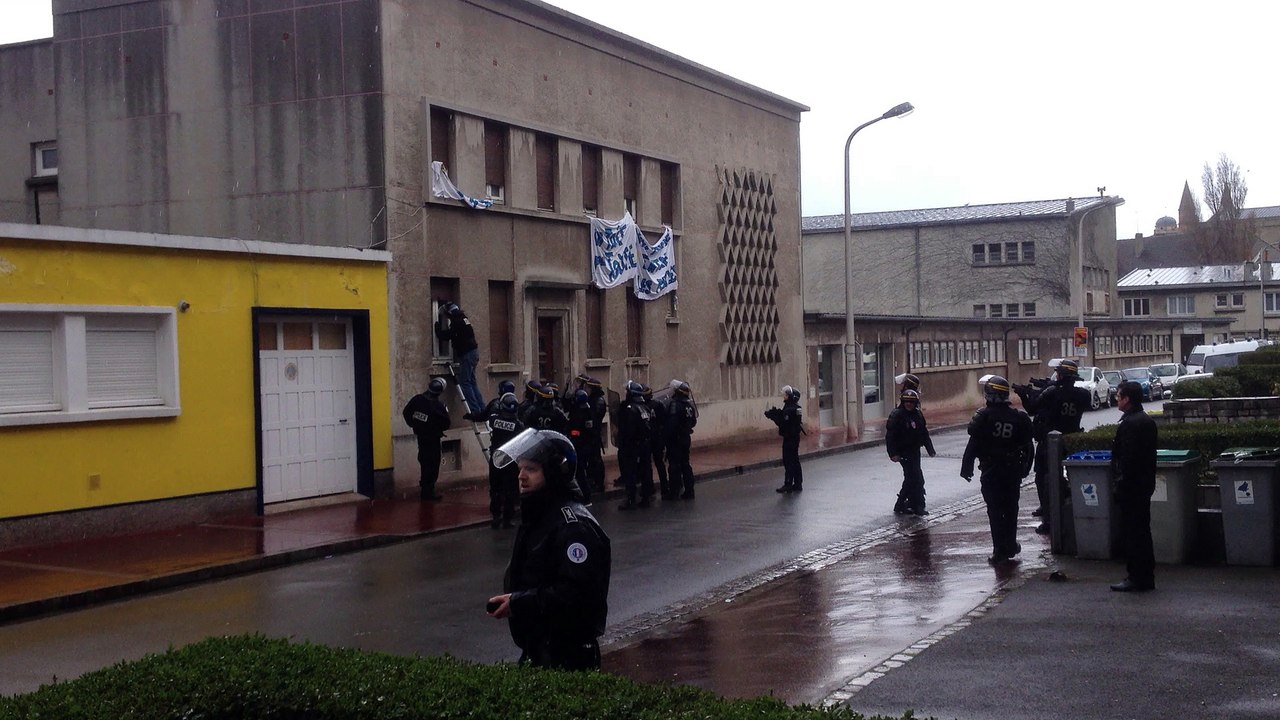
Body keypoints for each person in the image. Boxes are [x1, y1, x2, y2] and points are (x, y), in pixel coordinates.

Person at [486, 429, 611, 670]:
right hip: (539, 648)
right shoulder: (539, 515)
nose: (521, 476)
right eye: (520, 468)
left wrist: (518, 603)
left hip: (566, 654)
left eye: (531, 469)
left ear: (555, 473)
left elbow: (575, 594)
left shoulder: (573, 526)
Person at [961, 375, 1034, 564]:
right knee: (1011, 509)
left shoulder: (983, 416)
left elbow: (973, 444)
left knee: (995, 510)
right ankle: (1010, 544)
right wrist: (1026, 467)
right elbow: (1028, 446)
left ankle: (999, 550)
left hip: (991, 470)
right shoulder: (1019, 418)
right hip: (1012, 471)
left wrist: (966, 467)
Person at [1020, 358, 1090, 534]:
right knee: (1068, 478)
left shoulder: (1052, 393)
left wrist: (1023, 395)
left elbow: (1031, 409)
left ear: (1061, 376)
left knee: (1045, 480)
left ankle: (1049, 519)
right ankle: (1060, 510)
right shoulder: (1083, 394)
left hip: (1049, 443)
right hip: (1071, 439)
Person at [1110, 380, 1158, 592]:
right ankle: (1144, 575)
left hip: (1132, 487)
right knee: (1142, 532)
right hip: (1144, 484)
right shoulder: (1146, 421)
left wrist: (1120, 485)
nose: (1116, 400)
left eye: (1119, 396)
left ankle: (1136, 577)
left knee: (1133, 534)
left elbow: (1127, 460)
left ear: (1127, 399)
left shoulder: (1130, 424)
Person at [885, 388, 937, 515]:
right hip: (903, 452)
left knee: (912, 477)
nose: (909, 404)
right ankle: (917, 505)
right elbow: (890, 436)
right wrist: (893, 453)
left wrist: (930, 449)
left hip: (915, 451)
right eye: (906, 402)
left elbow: (924, 433)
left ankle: (903, 503)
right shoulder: (896, 415)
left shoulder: (918, 415)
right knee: (915, 477)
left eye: (911, 402)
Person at [478, 392, 523, 527]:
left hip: (496, 457)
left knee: (495, 488)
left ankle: (496, 517)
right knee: (510, 489)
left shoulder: (494, 420)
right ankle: (507, 519)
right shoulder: (518, 425)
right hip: (510, 459)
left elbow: (489, 414)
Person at [402, 378, 451, 501]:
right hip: (433, 440)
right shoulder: (439, 407)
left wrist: (413, 424)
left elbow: (406, 412)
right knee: (433, 466)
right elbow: (446, 424)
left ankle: (425, 491)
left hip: (421, 438)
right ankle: (428, 493)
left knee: (424, 464)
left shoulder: (417, 400)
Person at [434, 301, 484, 417]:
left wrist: (438, 330)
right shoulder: (463, 319)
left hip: (467, 355)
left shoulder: (457, 322)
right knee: (472, 382)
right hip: (473, 353)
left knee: (465, 382)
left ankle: (475, 411)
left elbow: (447, 336)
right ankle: (482, 408)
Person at [615, 380, 655, 510]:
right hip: (645, 445)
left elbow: (628, 430)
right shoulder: (645, 407)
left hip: (633, 446)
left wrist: (625, 444)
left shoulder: (630, 409)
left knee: (630, 472)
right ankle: (646, 497)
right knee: (645, 471)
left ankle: (630, 499)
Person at [566, 389, 604, 505]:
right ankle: (585, 496)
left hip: (579, 446)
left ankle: (585, 497)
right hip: (587, 445)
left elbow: (577, 431)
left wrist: (571, 434)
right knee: (582, 472)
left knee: (579, 473)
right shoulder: (588, 410)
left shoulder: (580, 413)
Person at [765, 385, 804, 493]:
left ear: (791, 396)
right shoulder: (794, 407)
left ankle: (788, 483)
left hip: (790, 438)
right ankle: (798, 483)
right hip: (793, 437)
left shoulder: (791, 409)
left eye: (786, 395)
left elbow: (784, 423)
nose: (784, 396)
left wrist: (774, 417)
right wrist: (777, 414)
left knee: (788, 460)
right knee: (795, 460)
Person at [665, 381, 698, 499]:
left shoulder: (675, 404)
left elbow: (672, 425)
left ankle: (674, 492)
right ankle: (689, 491)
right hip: (685, 438)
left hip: (676, 440)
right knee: (686, 465)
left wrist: (666, 437)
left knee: (674, 466)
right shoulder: (689, 405)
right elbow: (694, 421)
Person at [643, 384, 674, 500]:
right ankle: (664, 487)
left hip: (648, 439)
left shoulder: (643, 406)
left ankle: (650, 487)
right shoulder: (658, 405)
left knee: (647, 464)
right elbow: (664, 422)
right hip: (657, 439)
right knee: (659, 463)